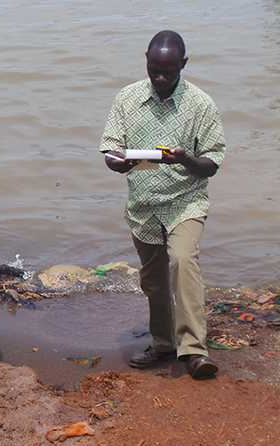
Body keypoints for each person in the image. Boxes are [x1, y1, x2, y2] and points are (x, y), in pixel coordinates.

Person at [99, 31, 226, 379]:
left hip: (185, 200)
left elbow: (212, 163)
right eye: (154, 69)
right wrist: (118, 162)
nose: (159, 78)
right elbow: (110, 149)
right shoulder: (127, 98)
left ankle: (195, 351)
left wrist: (185, 160)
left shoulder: (200, 104)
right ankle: (163, 343)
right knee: (154, 281)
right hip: (144, 204)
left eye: (168, 71)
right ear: (146, 60)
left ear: (183, 65)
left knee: (183, 262)